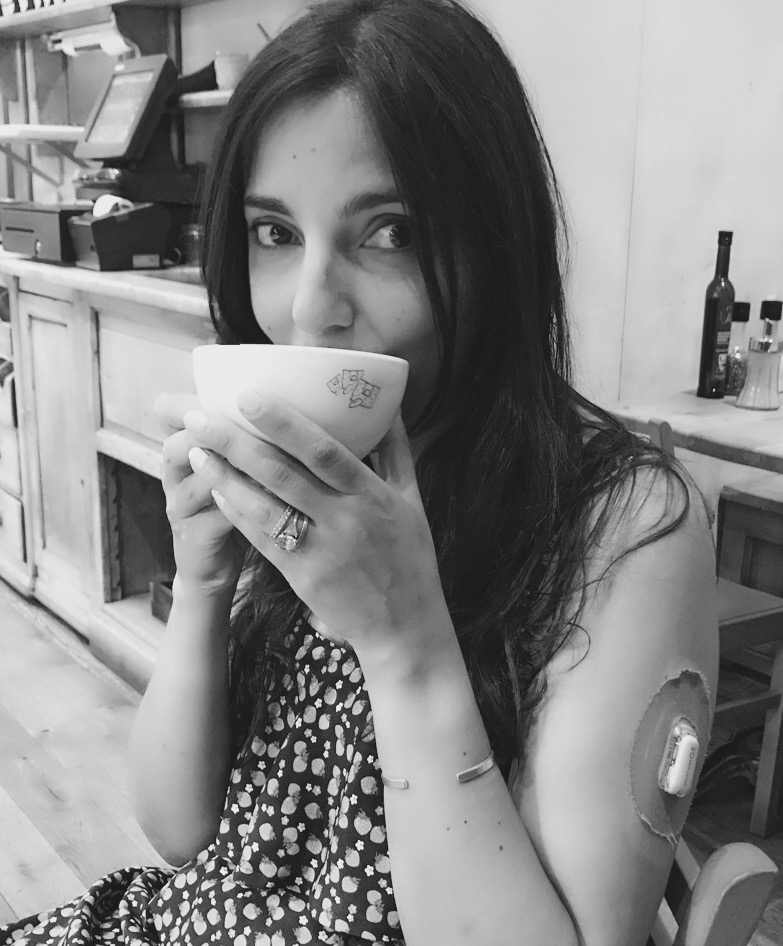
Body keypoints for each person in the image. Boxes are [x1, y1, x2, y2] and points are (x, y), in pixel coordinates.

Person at [1, 0, 719, 944]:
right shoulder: (325, 477)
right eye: (274, 233)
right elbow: (180, 835)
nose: (310, 310)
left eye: (391, 233)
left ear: (495, 245)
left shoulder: (623, 526)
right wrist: (205, 582)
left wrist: (405, 644)